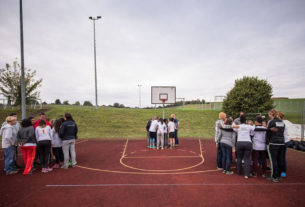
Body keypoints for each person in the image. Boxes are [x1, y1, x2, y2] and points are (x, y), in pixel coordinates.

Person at [266, 109, 285, 183]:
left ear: (271, 114)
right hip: (281, 143)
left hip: (273, 143)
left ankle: (274, 176)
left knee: (273, 160)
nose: (269, 116)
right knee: (279, 159)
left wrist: (267, 142)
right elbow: (281, 131)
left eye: (269, 114)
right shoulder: (282, 122)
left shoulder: (271, 121)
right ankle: (279, 176)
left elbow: (268, 132)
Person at [233, 114, 255, 179]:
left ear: (240, 120)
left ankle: (239, 172)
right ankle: (246, 174)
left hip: (239, 142)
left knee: (239, 158)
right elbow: (255, 128)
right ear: (246, 120)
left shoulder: (238, 126)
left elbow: (233, 127)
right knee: (247, 159)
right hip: (248, 142)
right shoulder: (249, 126)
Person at [278, 112, 290, 178]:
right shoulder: (282, 123)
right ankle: (282, 172)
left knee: (282, 157)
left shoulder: (281, 123)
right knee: (282, 157)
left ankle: (282, 172)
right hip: (285, 141)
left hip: (283, 142)